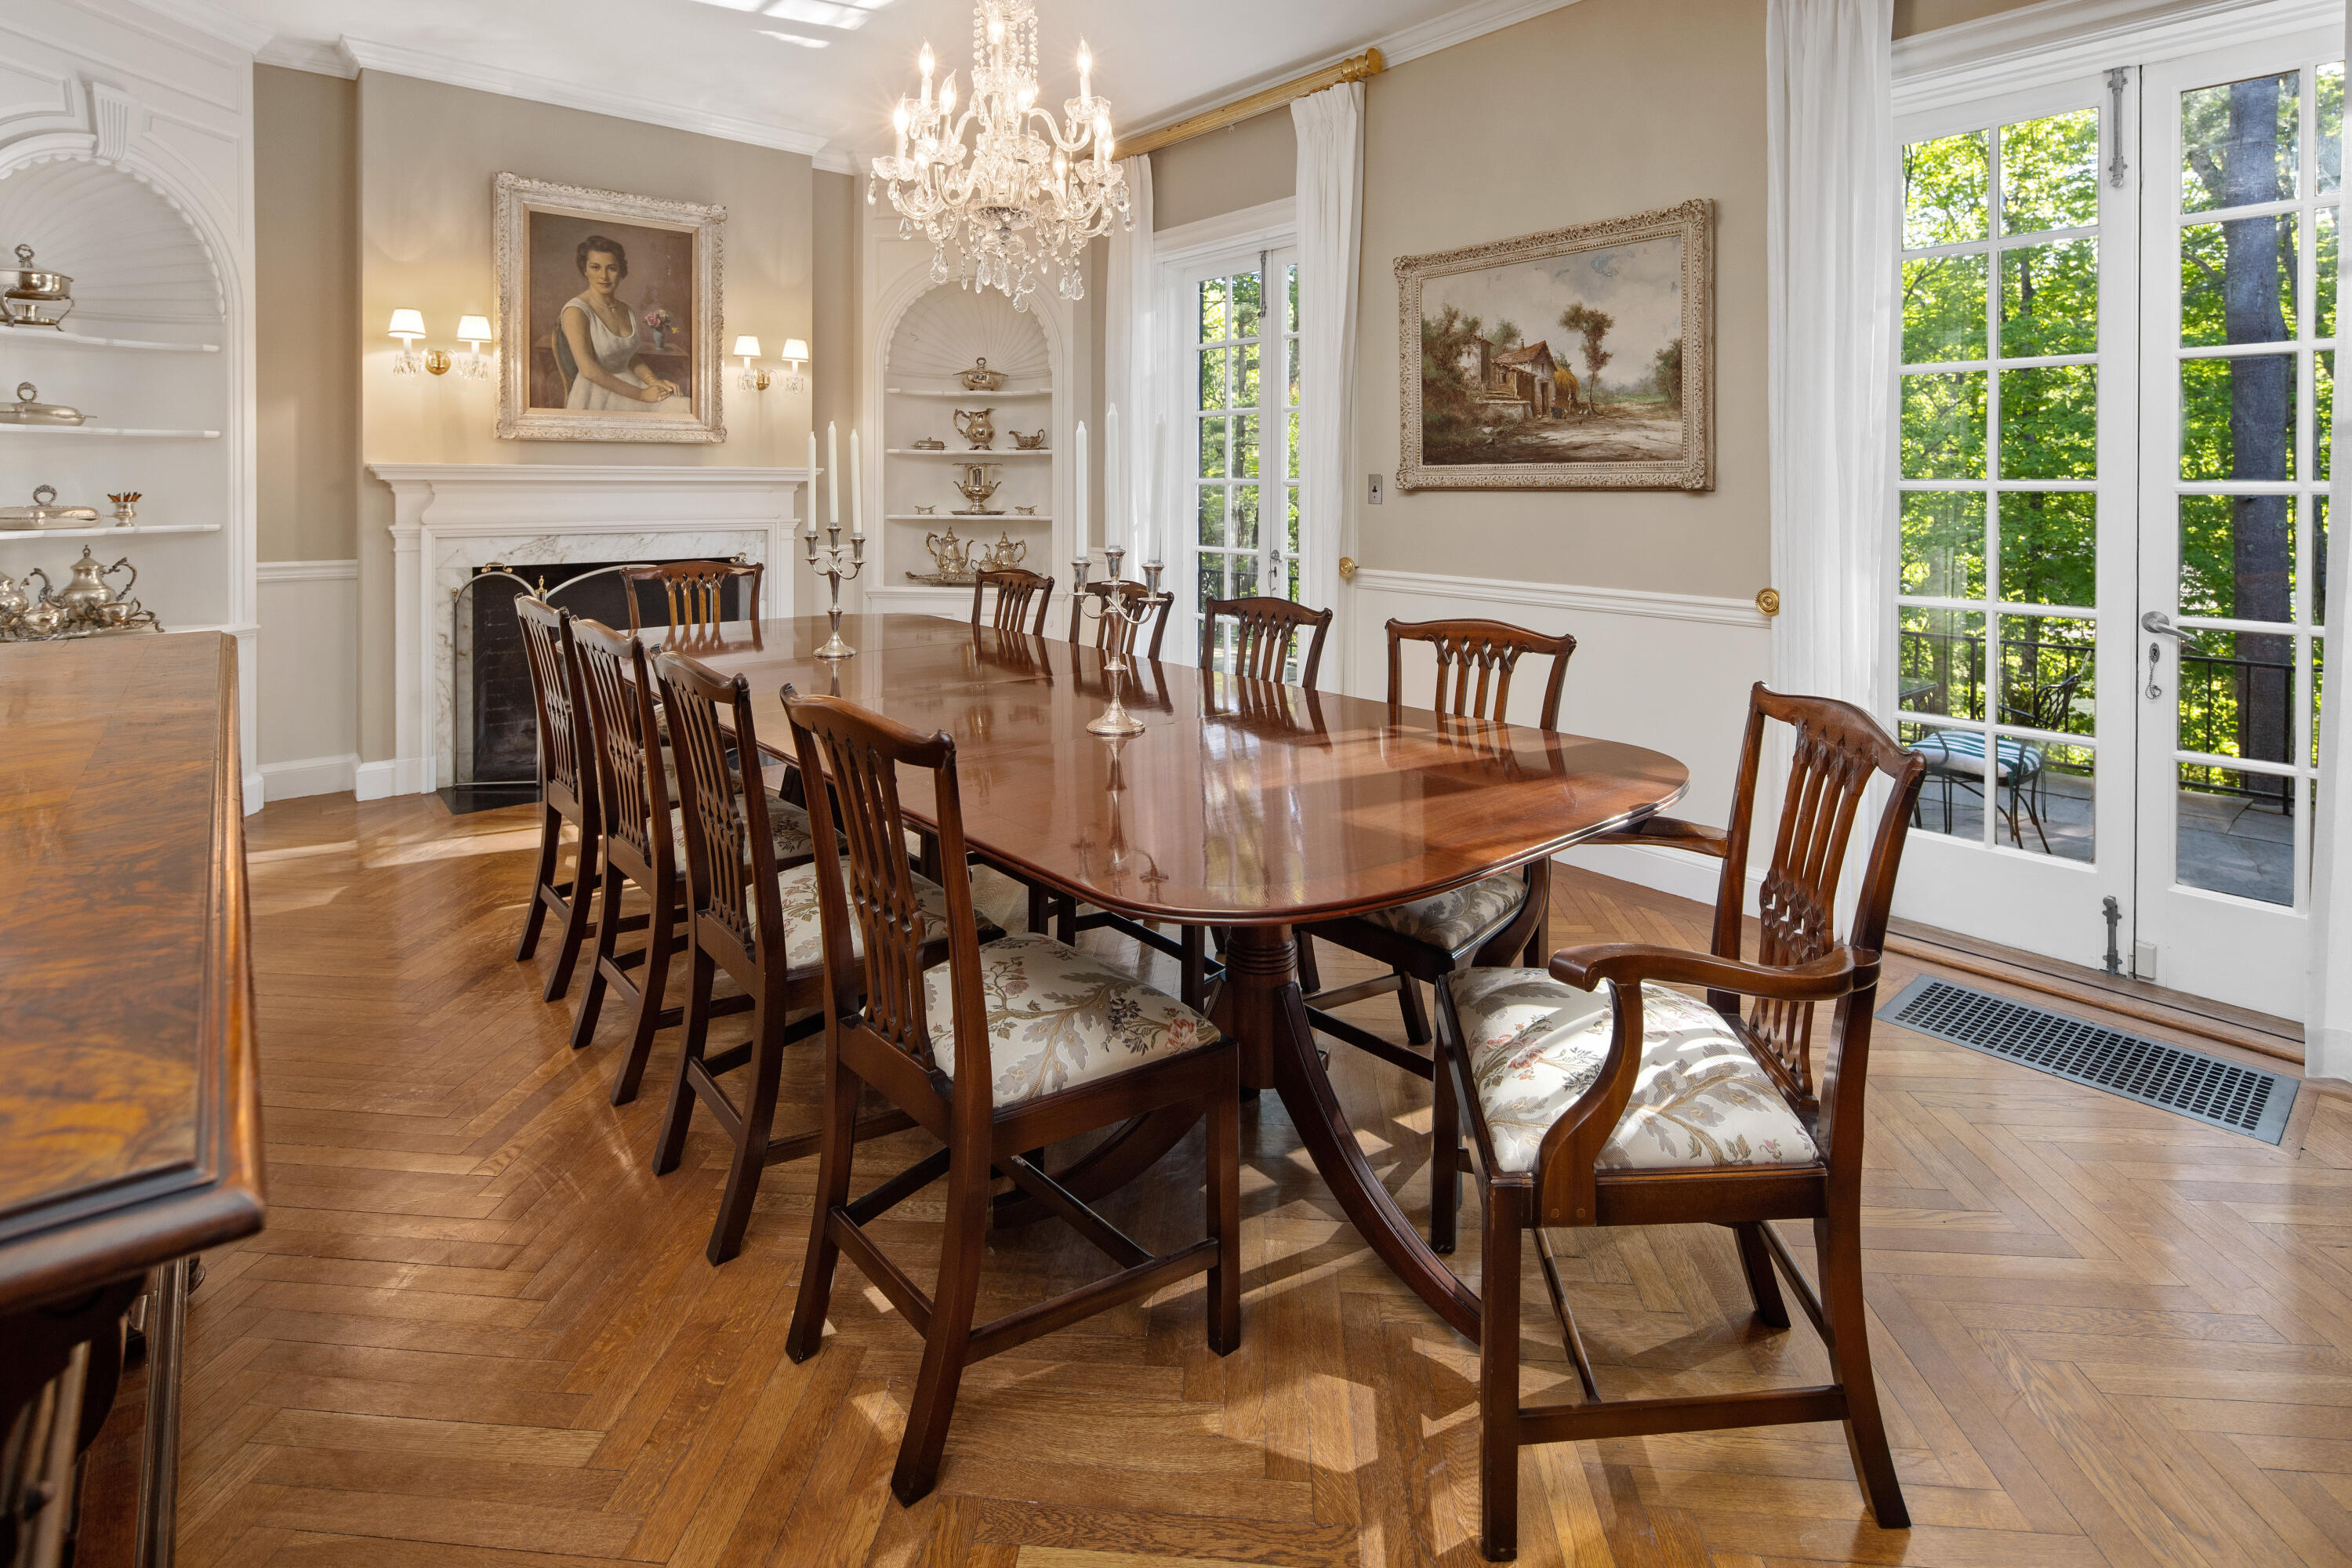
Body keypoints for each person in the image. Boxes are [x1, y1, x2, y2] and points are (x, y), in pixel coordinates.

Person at [559, 235, 684, 412]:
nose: (604, 276)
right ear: (585, 270)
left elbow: (628, 356)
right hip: (596, 395)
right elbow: (588, 370)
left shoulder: (627, 310)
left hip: (632, 384)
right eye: (595, 267)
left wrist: (653, 381)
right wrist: (642, 395)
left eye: (611, 268)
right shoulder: (576, 310)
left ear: (621, 272)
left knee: (684, 406)